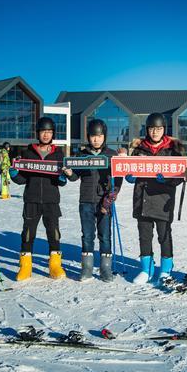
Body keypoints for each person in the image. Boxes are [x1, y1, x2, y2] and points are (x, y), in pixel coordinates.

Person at [10, 117, 71, 280]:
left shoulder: (58, 154)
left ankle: (55, 265)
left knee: (54, 232)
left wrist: (62, 178)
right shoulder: (28, 152)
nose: (46, 135)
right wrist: (15, 174)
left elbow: (61, 179)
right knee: (28, 232)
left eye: (49, 132)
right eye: (43, 131)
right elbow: (23, 178)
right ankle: (25, 266)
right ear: (38, 133)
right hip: (32, 199)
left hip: (51, 200)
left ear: (53, 134)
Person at [126, 112, 184, 284]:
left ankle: (166, 269)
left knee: (164, 236)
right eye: (152, 129)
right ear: (147, 130)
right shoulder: (139, 149)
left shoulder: (172, 150)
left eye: (158, 129)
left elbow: (180, 175)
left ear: (164, 129)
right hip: (142, 199)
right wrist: (130, 176)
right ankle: (146, 268)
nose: (155, 132)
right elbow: (129, 169)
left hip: (162, 199)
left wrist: (167, 179)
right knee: (144, 236)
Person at [67, 119, 123, 282]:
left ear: (104, 136)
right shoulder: (82, 155)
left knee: (105, 235)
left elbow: (118, 178)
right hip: (86, 200)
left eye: (99, 136)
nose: (96, 139)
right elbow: (75, 176)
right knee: (87, 235)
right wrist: (70, 173)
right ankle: (87, 268)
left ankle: (106, 269)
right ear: (88, 137)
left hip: (104, 201)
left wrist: (112, 195)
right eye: (93, 136)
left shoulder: (112, 155)